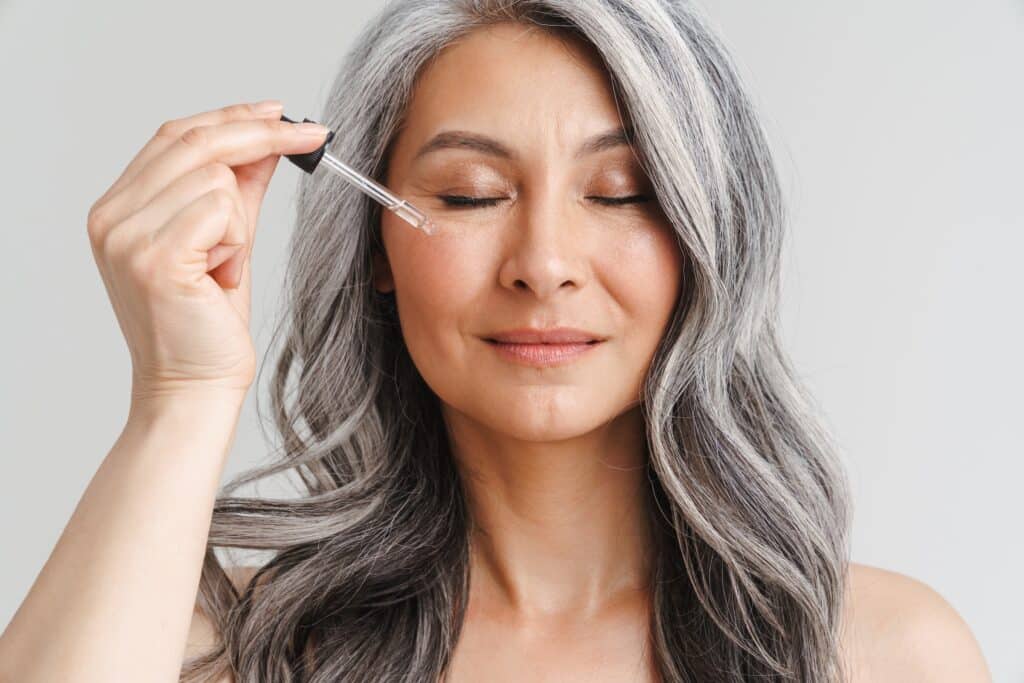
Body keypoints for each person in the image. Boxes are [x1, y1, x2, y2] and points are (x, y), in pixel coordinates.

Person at [0, 1, 991, 681]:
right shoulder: (225, 643)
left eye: (622, 193)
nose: (544, 261)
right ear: (377, 245)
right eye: (471, 195)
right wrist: (180, 393)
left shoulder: (876, 650)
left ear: (704, 237)